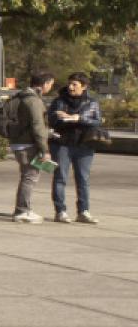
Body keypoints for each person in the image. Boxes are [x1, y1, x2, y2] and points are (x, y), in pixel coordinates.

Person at [48, 72, 103, 224]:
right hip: (62, 144)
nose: (71, 87)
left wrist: (79, 118)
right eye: (70, 84)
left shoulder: (92, 102)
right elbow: (51, 120)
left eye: (75, 85)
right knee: (60, 178)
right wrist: (63, 118)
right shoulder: (59, 101)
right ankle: (60, 211)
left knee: (83, 179)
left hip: (84, 145)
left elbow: (97, 121)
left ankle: (83, 211)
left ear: (84, 87)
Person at [7, 72, 56, 223]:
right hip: (28, 144)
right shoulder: (33, 101)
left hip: (17, 141)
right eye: (51, 84)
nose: (50, 87)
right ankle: (22, 211)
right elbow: (37, 126)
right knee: (30, 177)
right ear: (45, 84)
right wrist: (44, 149)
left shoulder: (19, 97)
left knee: (26, 176)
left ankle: (23, 209)